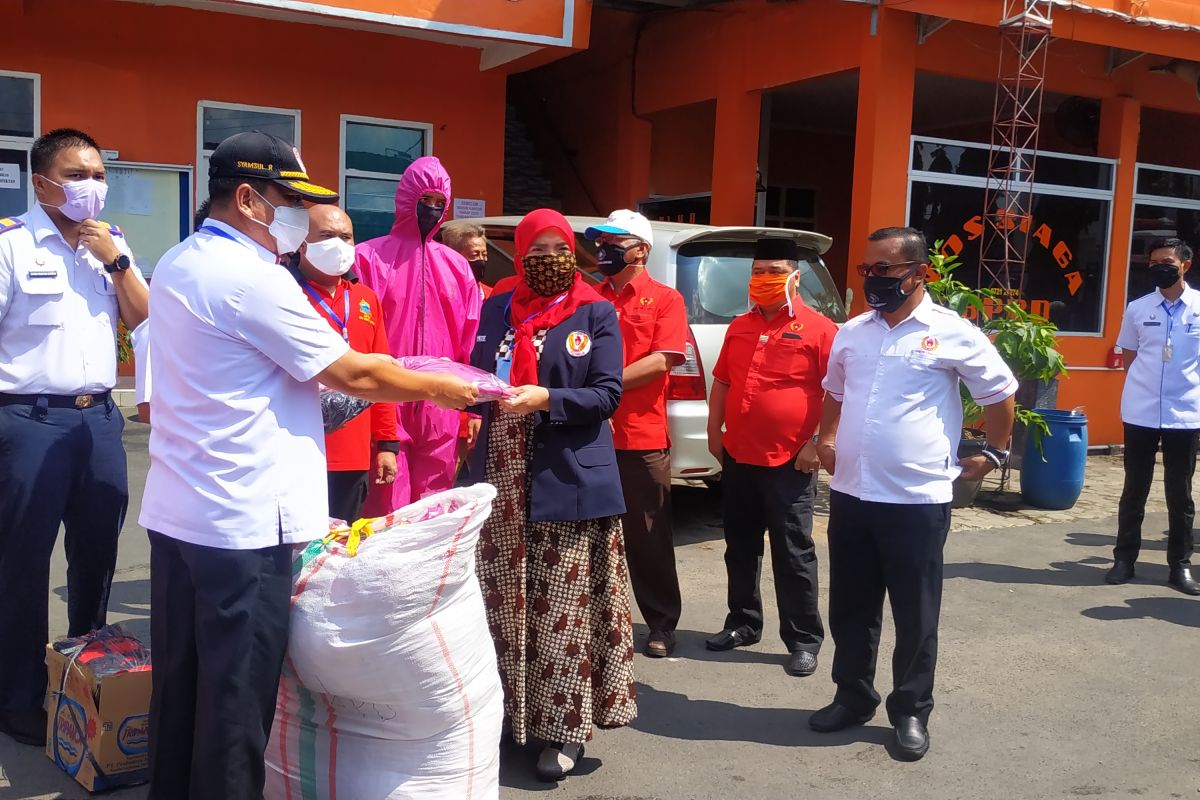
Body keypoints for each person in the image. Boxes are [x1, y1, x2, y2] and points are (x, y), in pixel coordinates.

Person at [139, 131, 477, 800]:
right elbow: (351, 370)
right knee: (235, 708)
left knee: (182, 690)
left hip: (182, 515)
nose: (299, 216)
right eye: (288, 199)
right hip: (242, 527)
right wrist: (448, 386)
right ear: (246, 198)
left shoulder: (180, 260)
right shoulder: (252, 279)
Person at [810, 226, 1016, 761]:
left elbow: (1000, 394)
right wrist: (825, 438)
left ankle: (910, 712)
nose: (873, 279)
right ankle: (852, 698)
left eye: (884, 270)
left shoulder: (953, 332)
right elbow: (833, 391)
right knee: (851, 608)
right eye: (865, 270)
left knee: (915, 614)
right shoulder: (852, 332)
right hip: (853, 494)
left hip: (917, 499)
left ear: (919, 273)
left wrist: (993, 452)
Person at [468, 208, 636, 782]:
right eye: (533, 250)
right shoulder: (496, 306)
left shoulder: (597, 310)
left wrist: (546, 399)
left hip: (566, 476)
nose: (545, 259)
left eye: (555, 248)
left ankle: (563, 732)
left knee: (560, 612)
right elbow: (475, 373)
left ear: (572, 251)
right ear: (518, 254)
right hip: (501, 477)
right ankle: (509, 720)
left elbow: (608, 394)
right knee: (500, 607)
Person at [0, 128, 149, 746]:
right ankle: (16, 695)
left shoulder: (111, 246)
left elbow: (145, 322)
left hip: (98, 420)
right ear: (43, 183)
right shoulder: (10, 246)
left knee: (97, 556)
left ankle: (84, 679)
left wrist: (115, 261)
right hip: (27, 420)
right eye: (77, 174)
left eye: (98, 174)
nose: (92, 186)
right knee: (23, 565)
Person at [704, 238, 836, 678]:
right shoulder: (739, 326)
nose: (764, 279)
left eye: (774, 271)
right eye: (758, 271)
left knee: (793, 553)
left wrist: (817, 441)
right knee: (739, 548)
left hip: (790, 462)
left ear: (795, 276)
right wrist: (713, 431)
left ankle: (803, 639)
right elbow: (722, 381)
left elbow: (840, 394)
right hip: (739, 454)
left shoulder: (821, 331)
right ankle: (742, 623)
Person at [355, 156, 482, 516]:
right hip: (385, 397)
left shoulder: (456, 266)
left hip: (441, 401)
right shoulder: (367, 258)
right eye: (425, 200)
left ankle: (427, 575)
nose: (432, 209)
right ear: (406, 198)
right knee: (385, 506)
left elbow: (468, 340)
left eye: (440, 203)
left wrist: (469, 410)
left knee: (435, 504)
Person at [588, 209, 687, 658]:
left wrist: (603, 386)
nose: (603, 250)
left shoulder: (665, 299)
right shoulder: (591, 297)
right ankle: (596, 619)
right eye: (601, 242)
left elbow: (661, 360)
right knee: (590, 532)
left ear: (640, 249)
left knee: (647, 535)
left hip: (639, 435)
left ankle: (661, 624)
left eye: (614, 242)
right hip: (589, 433)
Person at [290, 203, 400, 522]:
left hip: (353, 455)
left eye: (346, 237)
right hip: (299, 450)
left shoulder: (366, 298)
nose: (338, 244)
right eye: (327, 235)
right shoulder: (283, 293)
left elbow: (381, 377)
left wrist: (387, 444)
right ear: (301, 242)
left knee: (341, 549)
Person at [1107, 237, 1200, 595]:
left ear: (1184, 266)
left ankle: (1180, 565)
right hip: (1141, 411)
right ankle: (1124, 559)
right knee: (1134, 489)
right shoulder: (1138, 308)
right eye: (1154, 263)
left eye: (1167, 262)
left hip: (1185, 413)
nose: (1160, 268)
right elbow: (1129, 356)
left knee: (1181, 493)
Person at [440, 219, 492, 301]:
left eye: (484, 255)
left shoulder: (491, 294)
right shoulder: (441, 294)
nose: (481, 259)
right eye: (474, 255)